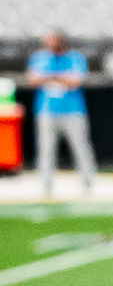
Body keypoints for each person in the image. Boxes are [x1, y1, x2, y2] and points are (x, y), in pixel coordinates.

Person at [23, 29, 95, 195]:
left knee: (80, 146)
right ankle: (46, 184)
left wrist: (49, 76)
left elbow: (75, 81)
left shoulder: (75, 57)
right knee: (46, 148)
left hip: (73, 110)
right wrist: (59, 77)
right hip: (46, 110)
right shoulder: (39, 57)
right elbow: (32, 80)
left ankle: (87, 182)